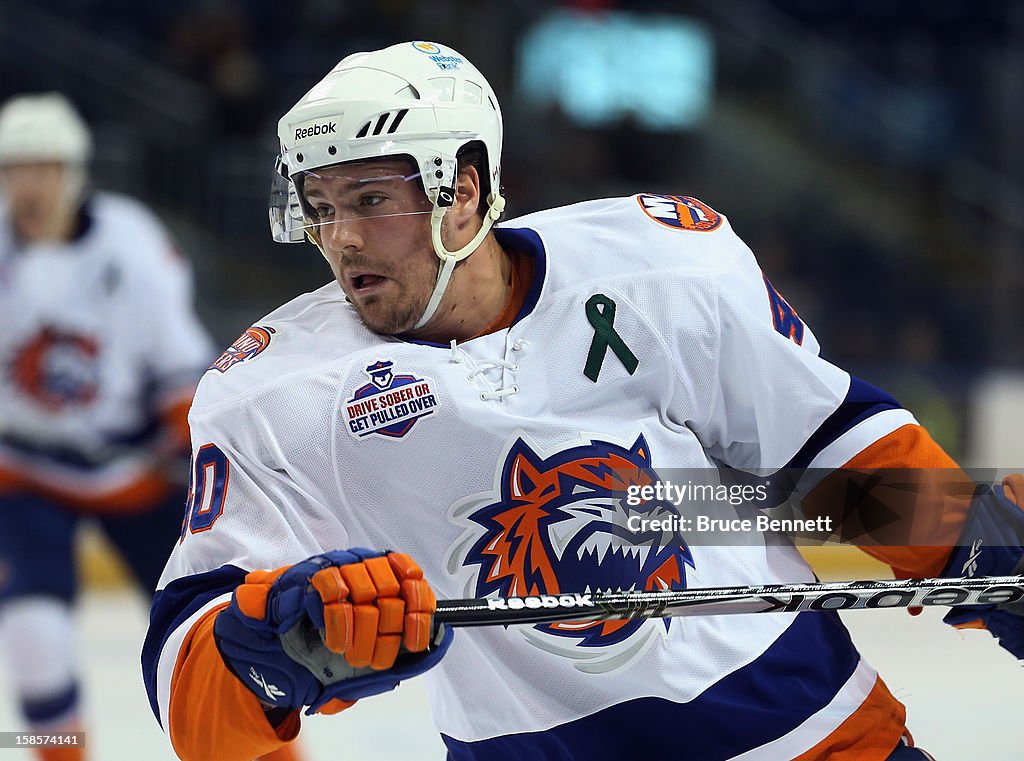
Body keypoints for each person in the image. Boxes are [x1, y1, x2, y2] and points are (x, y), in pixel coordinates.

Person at [142, 42, 1024, 761]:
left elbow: (821, 453)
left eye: (372, 200)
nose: (341, 239)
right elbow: (191, 690)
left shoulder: (659, 261)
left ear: (466, 191)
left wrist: (972, 539)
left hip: (814, 736)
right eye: (323, 208)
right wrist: (272, 644)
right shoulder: (272, 392)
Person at [0, 92, 215, 761]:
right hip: (22, 472)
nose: (29, 185)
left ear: (75, 172)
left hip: (133, 473)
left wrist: (186, 441)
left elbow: (183, 368)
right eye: (15, 169)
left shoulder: (134, 242)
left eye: (45, 168)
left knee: (214, 637)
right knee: (35, 642)